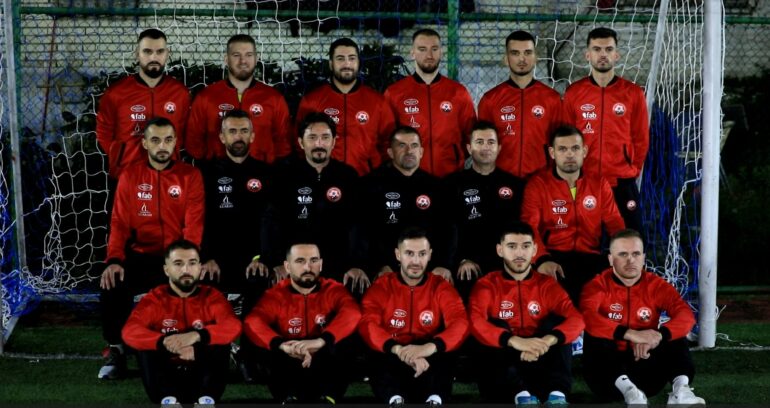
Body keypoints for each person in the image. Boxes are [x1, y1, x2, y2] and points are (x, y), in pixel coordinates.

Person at [98, 117, 205, 380]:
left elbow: (193, 224)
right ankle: (116, 350)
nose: (162, 146)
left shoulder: (190, 176)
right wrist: (114, 260)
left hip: (176, 257)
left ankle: (195, 348)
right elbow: (119, 223)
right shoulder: (130, 176)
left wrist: (185, 264)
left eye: (168, 140)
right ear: (145, 143)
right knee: (112, 282)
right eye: (155, 140)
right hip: (141, 255)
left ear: (175, 142)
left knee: (192, 287)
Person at [580, 229, 705, 406]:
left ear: (644, 257)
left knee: (674, 334)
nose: (630, 260)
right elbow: (587, 317)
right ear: (610, 259)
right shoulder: (596, 286)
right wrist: (631, 334)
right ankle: (630, 392)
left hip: (646, 369)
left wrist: (657, 336)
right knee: (594, 333)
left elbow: (685, 314)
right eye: (623, 254)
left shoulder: (657, 285)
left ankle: (681, 390)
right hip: (607, 379)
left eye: (636, 254)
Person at [468, 221, 584, 405]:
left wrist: (547, 341)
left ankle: (557, 395)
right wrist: (514, 341)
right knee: (495, 325)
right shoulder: (486, 285)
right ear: (500, 250)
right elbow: (475, 322)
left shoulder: (547, 284)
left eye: (525, 246)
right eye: (512, 246)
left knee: (556, 322)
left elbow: (577, 319)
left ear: (534, 250)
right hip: (503, 375)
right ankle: (521, 396)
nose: (519, 253)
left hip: (539, 359)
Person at [197, 109, 274, 383]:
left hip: (253, 259)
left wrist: (263, 257)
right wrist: (206, 257)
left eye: (243, 131)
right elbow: (200, 218)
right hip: (216, 260)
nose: (238, 137)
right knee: (204, 288)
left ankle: (249, 357)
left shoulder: (266, 173)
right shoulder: (207, 173)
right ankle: (213, 356)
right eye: (232, 131)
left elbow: (270, 221)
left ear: (252, 136)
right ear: (222, 136)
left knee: (259, 284)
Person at [358, 227, 469, 407]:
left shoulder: (441, 286)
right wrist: (399, 350)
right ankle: (394, 400)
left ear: (430, 255)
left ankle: (435, 399)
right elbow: (367, 324)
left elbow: (460, 322)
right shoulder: (381, 287)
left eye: (422, 254)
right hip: (394, 354)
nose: (416, 261)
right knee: (375, 351)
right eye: (409, 253)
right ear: (398, 254)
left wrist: (429, 347)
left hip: (428, 357)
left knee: (447, 349)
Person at [122, 239, 241, 405]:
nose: (186, 270)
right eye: (178, 264)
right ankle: (168, 401)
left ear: (200, 267)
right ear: (166, 270)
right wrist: (164, 342)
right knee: (144, 344)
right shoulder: (155, 299)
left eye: (192, 263)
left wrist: (197, 337)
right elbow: (130, 331)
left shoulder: (212, 296)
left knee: (221, 341)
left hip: (203, 377)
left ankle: (206, 400)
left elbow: (233, 326)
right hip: (165, 377)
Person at [243, 241, 362, 403]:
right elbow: (253, 321)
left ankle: (329, 398)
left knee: (345, 340)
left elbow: (352, 313)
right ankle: (287, 398)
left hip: (324, 359)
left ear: (321, 264)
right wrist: (282, 345)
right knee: (271, 346)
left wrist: (321, 341)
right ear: (287, 266)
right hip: (290, 357)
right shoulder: (275, 295)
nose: (308, 267)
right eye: (300, 261)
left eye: (314, 260)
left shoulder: (334, 290)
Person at [521, 125, 625, 304]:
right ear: (552, 153)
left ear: (584, 151)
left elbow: (615, 223)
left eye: (575, 148)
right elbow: (529, 228)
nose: (569, 154)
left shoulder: (599, 184)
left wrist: (624, 253)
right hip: (554, 257)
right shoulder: (538, 185)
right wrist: (541, 260)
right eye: (562, 149)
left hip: (591, 257)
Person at [562, 27, 649, 233]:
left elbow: (641, 137)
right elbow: (565, 139)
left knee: (630, 239)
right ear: (587, 55)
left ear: (616, 54)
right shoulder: (574, 93)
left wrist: (631, 168)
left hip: (622, 181)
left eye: (608, 49)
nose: (603, 54)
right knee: (584, 242)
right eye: (597, 49)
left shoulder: (633, 93)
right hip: (585, 180)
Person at [271, 112, 367, 292]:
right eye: (312, 138)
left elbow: (358, 224)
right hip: (296, 264)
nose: (319, 144)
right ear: (301, 142)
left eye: (325, 137)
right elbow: (273, 222)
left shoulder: (348, 176)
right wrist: (279, 262)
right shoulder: (284, 176)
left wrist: (357, 265)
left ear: (334, 141)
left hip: (339, 265)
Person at [358, 126, 452, 281]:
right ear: (390, 152)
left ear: (421, 152)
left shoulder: (436, 187)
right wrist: (379, 265)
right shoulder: (371, 186)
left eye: (414, 146)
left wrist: (443, 264)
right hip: (385, 268)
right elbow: (365, 230)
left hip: (429, 268)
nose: (409, 151)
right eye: (402, 145)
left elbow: (448, 229)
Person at [444, 121, 525, 298]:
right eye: (479, 142)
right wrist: (461, 259)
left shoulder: (515, 185)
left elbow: (522, 227)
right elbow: (448, 227)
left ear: (499, 148)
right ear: (469, 148)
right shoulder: (453, 184)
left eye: (491, 142)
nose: (486, 147)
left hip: (506, 260)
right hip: (470, 263)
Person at [96, 28, 190, 180]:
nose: (154, 57)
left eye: (160, 51)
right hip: (126, 174)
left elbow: (183, 131)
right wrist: (120, 156)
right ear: (137, 53)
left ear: (167, 53)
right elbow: (103, 131)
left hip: (168, 176)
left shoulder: (180, 93)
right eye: (147, 51)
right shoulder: (116, 93)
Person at [296, 37, 395, 176]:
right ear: (331, 64)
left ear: (358, 62)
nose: (347, 63)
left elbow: (388, 142)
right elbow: (299, 142)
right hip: (325, 178)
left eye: (352, 58)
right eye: (340, 58)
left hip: (365, 177)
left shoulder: (378, 102)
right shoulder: (312, 101)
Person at [185, 34, 292, 163]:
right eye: (236, 55)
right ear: (226, 59)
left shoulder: (274, 99)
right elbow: (193, 142)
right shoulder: (206, 97)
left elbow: (283, 144)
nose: (243, 61)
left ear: (256, 58)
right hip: (218, 172)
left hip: (262, 172)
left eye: (249, 55)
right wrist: (211, 165)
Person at [384, 28, 476, 177]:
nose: (429, 55)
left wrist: (454, 157)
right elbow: (386, 139)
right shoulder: (394, 93)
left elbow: (471, 136)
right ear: (412, 53)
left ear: (441, 52)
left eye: (434, 49)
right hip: (409, 177)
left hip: (449, 176)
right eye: (422, 49)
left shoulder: (458, 92)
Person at [477, 30, 562, 179]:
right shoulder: (490, 100)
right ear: (506, 59)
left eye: (528, 53)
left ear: (536, 58)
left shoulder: (552, 99)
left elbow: (560, 142)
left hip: (541, 178)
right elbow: (482, 145)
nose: (522, 59)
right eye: (515, 53)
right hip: (500, 179)